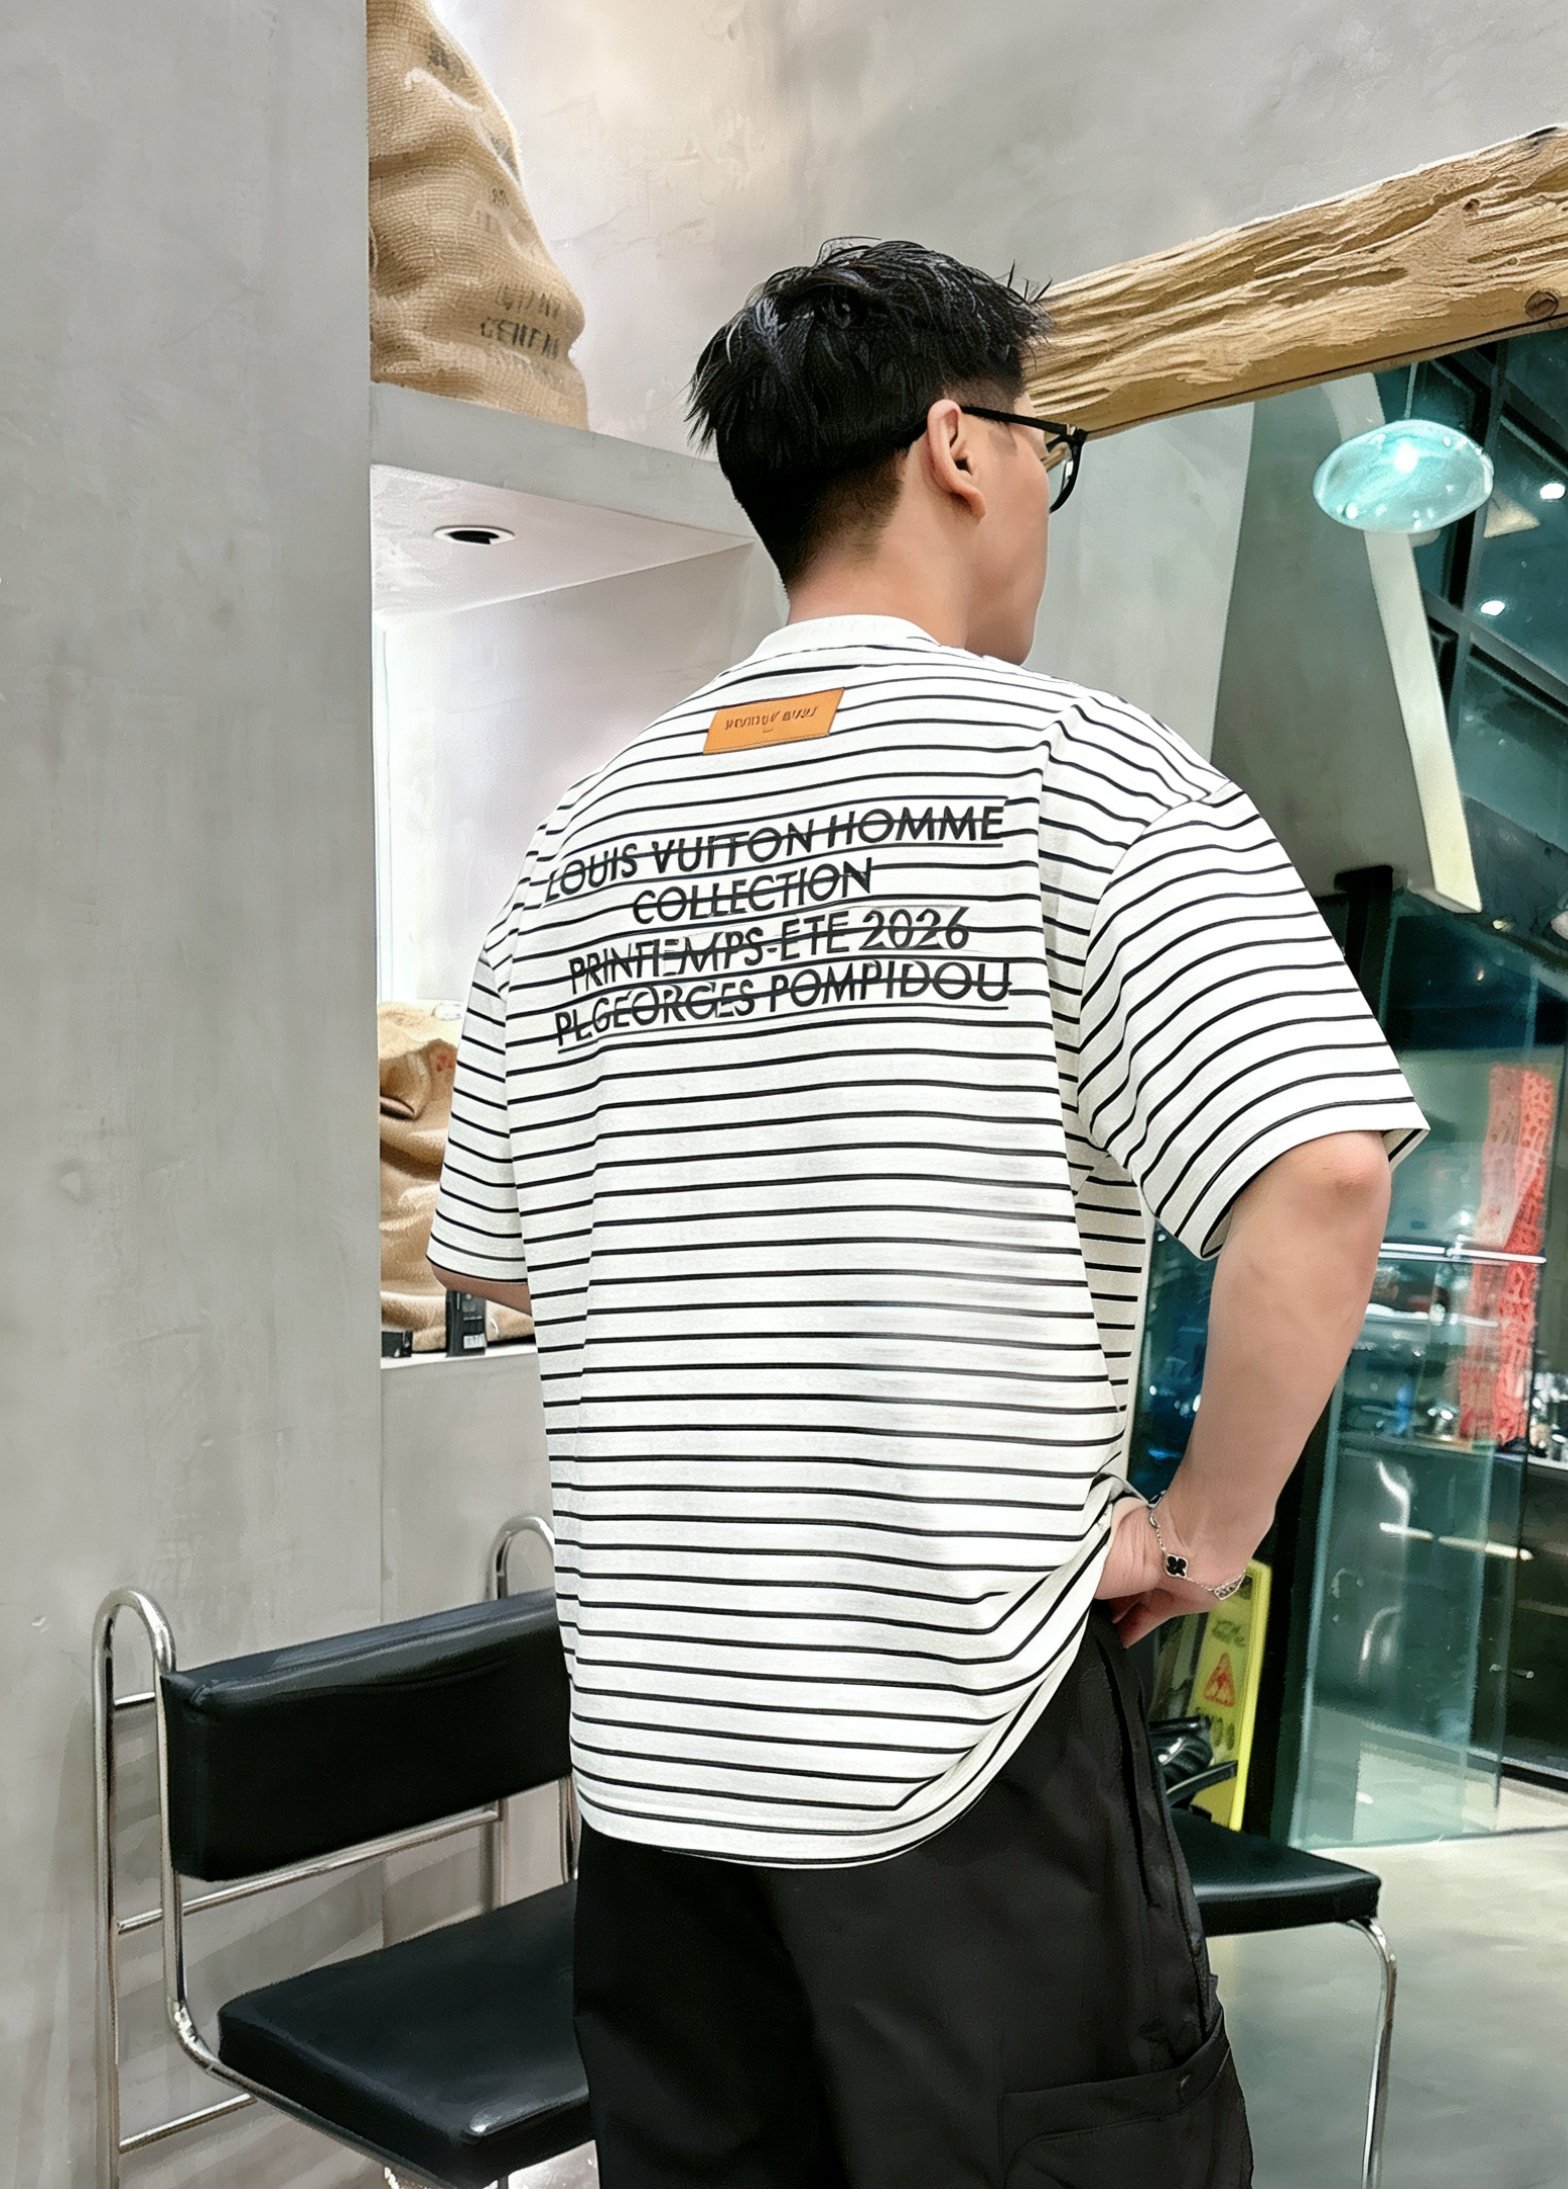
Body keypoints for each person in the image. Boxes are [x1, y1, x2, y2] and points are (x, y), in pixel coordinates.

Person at [429, 239, 1426, 2189]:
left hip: (656, 1770)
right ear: (963, 447)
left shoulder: (576, 840)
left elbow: (494, 1261)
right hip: (963, 1748)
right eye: (1054, 448)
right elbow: (1315, 1171)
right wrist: (1204, 1530)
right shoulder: (1077, 774)